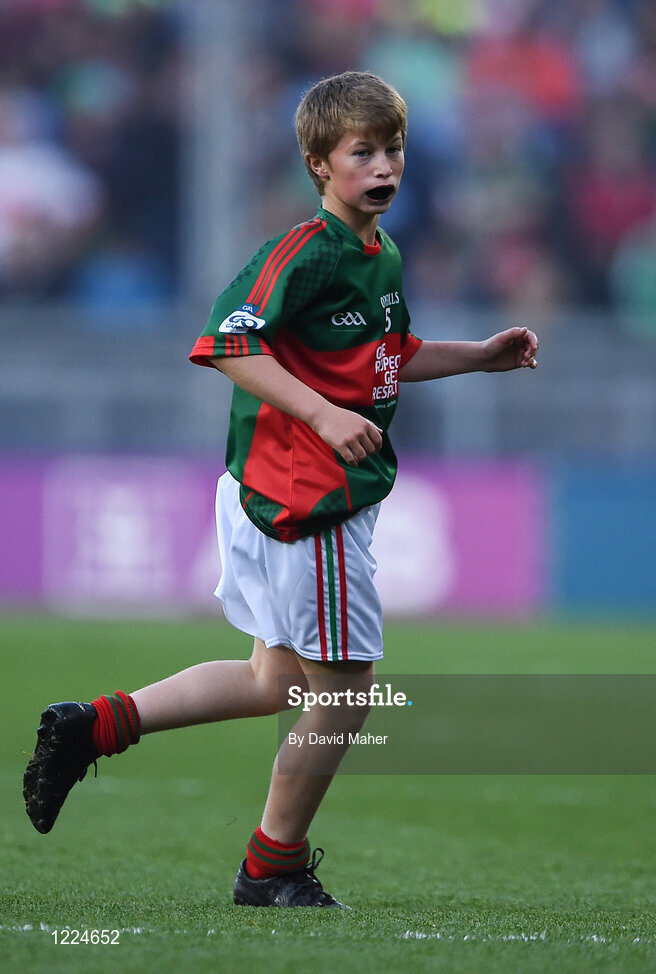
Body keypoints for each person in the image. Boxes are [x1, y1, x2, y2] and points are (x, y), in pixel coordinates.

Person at [22, 71, 538, 908]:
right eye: (361, 151)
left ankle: (95, 724)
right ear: (318, 164)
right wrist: (326, 417)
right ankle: (273, 865)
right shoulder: (303, 251)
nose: (384, 165)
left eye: (393, 148)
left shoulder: (381, 255)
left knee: (275, 681)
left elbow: (386, 358)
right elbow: (226, 342)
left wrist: (479, 356)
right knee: (344, 694)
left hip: (281, 493)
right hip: (309, 502)